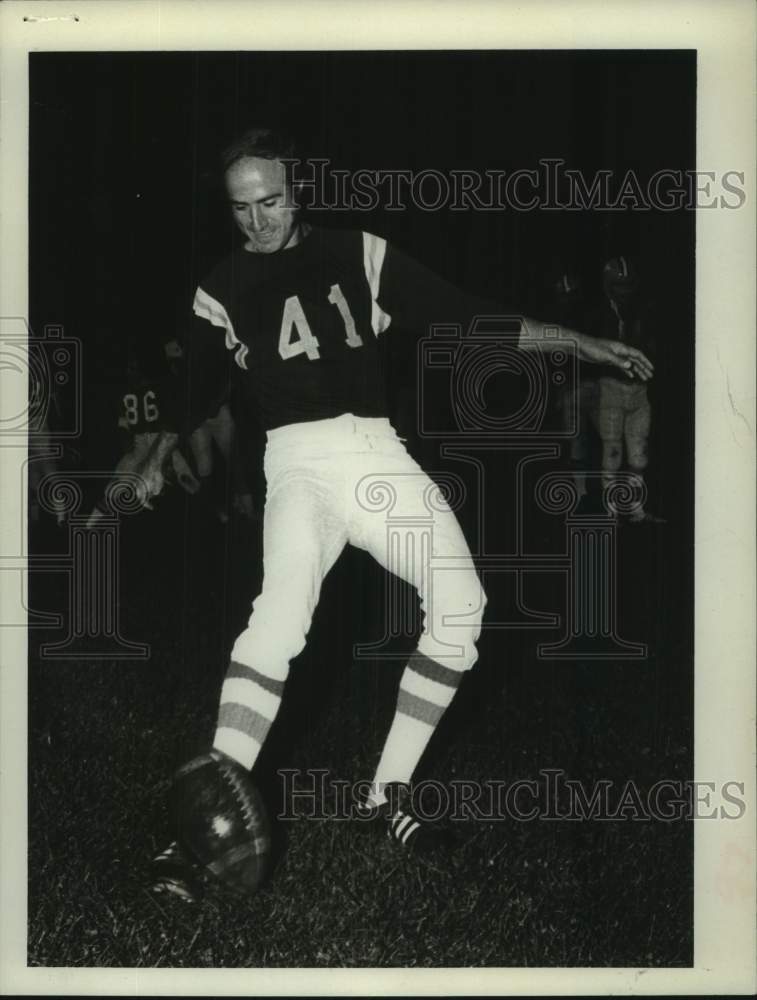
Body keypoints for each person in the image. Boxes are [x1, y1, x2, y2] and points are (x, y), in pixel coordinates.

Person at [141, 128, 654, 898]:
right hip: (298, 466)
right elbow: (192, 395)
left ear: (298, 189)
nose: (257, 220)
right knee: (278, 619)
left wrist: (579, 342)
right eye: (240, 207)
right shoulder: (221, 287)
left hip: (377, 455)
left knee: (461, 606)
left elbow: (466, 316)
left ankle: (387, 795)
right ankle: (201, 822)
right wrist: (151, 458)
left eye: (270, 201)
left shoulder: (358, 253)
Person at [588, 256, 664, 523]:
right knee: (612, 451)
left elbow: (654, 349)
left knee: (639, 454)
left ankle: (636, 511)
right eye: (619, 285)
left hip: (638, 390)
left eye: (628, 285)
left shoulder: (643, 311)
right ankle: (610, 511)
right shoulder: (597, 313)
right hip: (610, 387)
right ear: (608, 286)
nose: (624, 291)